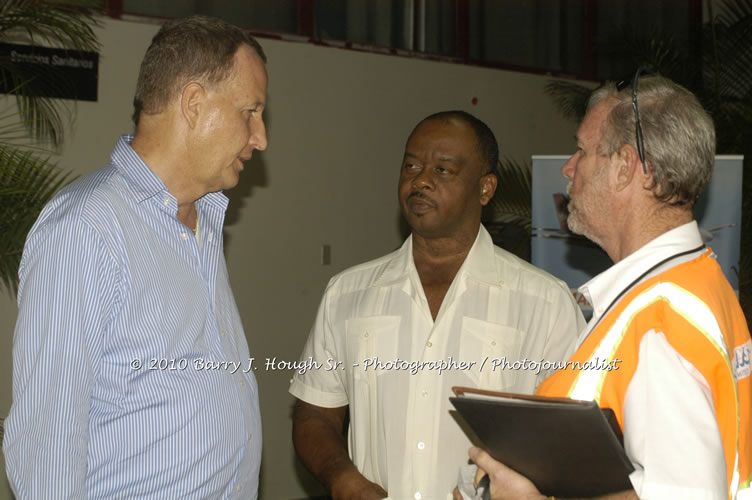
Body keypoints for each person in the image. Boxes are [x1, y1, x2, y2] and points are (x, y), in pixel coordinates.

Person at [3, 16, 268, 498]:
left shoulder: (203, 221)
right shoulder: (87, 228)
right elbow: (47, 439)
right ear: (193, 104)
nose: (261, 137)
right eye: (250, 112)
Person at [465, 74, 751, 499]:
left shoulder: (659, 323)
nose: (568, 168)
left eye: (581, 150)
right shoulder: (697, 282)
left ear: (624, 167)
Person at [289, 110, 586, 499]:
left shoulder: (544, 302)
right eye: (411, 165)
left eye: (443, 170)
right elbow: (315, 413)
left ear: (485, 189)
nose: (421, 180)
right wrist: (341, 476)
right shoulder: (347, 293)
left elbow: (572, 441)